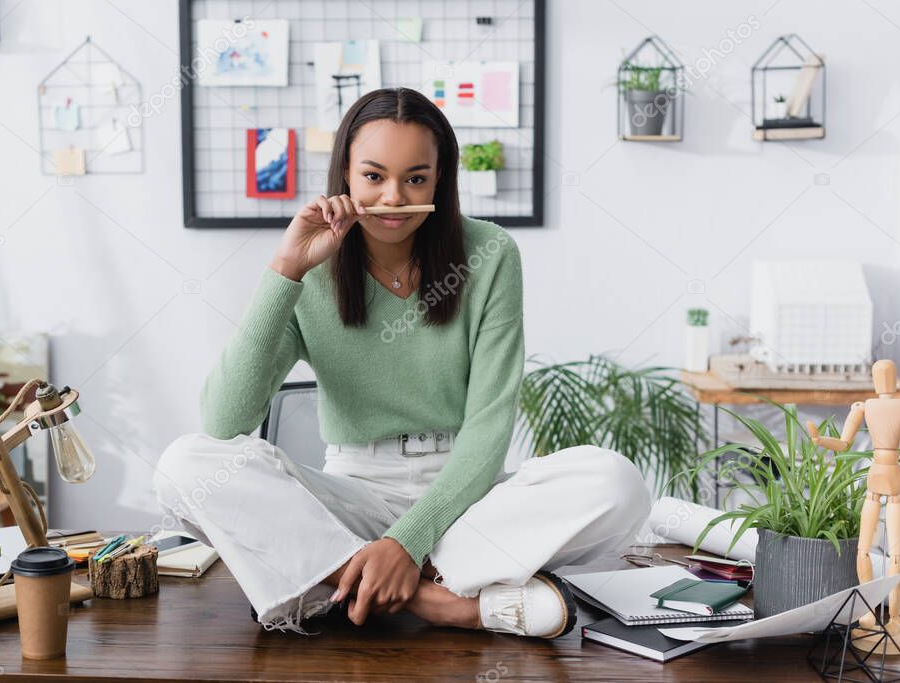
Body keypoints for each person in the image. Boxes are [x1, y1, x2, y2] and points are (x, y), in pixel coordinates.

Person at [154, 87, 650, 638]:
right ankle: (429, 599)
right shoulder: (312, 267)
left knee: (617, 482)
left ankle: (344, 583)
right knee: (184, 465)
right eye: (373, 177)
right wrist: (286, 269)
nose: (393, 197)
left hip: (464, 499)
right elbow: (225, 422)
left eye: (415, 178)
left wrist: (406, 541)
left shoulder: (490, 254)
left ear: (440, 179)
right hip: (351, 499)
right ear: (344, 174)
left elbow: (488, 428)